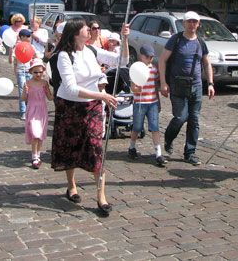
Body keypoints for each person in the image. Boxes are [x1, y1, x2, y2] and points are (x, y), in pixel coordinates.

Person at [50, 19, 130, 216]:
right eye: (87, 28)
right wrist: (102, 95)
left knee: (96, 147)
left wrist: (125, 39)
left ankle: (101, 196)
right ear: (76, 33)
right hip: (69, 106)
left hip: (92, 106)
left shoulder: (92, 50)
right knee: (70, 145)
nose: (90, 31)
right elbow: (71, 88)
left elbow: (122, 61)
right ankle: (71, 186)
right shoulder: (63, 56)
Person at [158, 11, 215, 166]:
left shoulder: (201, 42)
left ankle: (190, 152)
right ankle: (168, 138)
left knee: (194, 120)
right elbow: (162, 61)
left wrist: (210, 83)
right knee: (180, 117)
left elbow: (206, 63)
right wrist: (163, 83)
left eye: (194, 22)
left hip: (196, 86)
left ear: (198, 24)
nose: (192, 24)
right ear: (183, 23)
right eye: (189, 21)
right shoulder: (175, 40)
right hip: (177, 85)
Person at [128, 44, 166, 167]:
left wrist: (158, 102)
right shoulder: (136, 69)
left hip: (152, 103)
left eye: (151, 57)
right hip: (140, 103)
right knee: (137, 127)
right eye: (147, 57)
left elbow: (155, 87)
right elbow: (133, 88)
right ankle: (132, 147)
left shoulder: (154, 70)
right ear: (141, 56)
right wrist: (137, 89)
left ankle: (158, 154)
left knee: (155, 127)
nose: (150, 59)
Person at [22, 59, 53, 169]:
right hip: (32, 109)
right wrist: (25, 91)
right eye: (35, 72)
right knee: (35, 133)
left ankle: (38, 154)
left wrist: (56, 89)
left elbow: (49, 97)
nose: (38, 74)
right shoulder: (28, 83)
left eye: (40, 72)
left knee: (39, 134)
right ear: (31, 72)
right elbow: (23, 98)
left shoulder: (44, 83)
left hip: (42, 110)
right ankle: (34, 156)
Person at [11, 29, 33, 120]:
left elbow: (35, 57)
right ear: (22, 37)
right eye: (28, 36)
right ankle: (23, 111)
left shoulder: (31, 46)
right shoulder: (17, 46)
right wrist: (10, 51)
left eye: (29, 36)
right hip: (20, 71)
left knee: (31, 91)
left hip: (30, 71)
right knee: (22, 91)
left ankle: (30, 109)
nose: (29, 38)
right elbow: (11, 60)